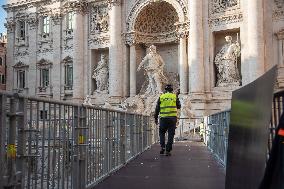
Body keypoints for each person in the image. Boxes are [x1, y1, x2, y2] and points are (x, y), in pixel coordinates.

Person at [154, 84, 181, 156]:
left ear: (165, 90)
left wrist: (156, 118)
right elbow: (179, 106)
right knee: (171, 135)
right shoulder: (174, 96)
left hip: (163, 118)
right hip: (172, 119)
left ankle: (162, 147)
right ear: (172, 90)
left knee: (162, 133)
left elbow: (157, 109)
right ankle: (168, 150)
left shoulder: (161, 97)